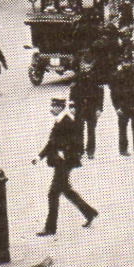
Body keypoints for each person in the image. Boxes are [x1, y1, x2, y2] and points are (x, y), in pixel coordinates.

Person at [33, 97, 98, 235]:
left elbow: (74, 141)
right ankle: (89, 213)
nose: (52, 108)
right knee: (66, 191)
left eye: (54, 106)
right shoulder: (61, 120)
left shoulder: (66, 121)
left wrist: (64, 152)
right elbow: (51, 142)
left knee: (53, 193)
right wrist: (39, 157)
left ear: (61, 107)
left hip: (64, 162)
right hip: (62, 161)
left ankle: (50, 228)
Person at [110, 64, 134, 155]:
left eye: (128, 61)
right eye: (125, 62)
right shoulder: (117, 75)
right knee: (123, 129)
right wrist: (117, 107)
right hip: (123, 106)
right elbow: (114, 93)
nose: (127, 64)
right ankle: (123, 149)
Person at [68, 63, 104, 158]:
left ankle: (90, 151)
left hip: (92, 106)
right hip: (80, 106)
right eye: (84, 66)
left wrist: (99, 108)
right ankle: (79, 150)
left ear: (91, 66)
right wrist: (72, 105)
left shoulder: (97, 77)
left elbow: (100, 95)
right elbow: (72, 92)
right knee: (79, 129)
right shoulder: (77, 77)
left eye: (88, 66)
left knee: (91, 130)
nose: (86, 68)